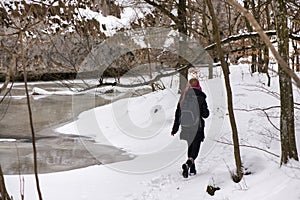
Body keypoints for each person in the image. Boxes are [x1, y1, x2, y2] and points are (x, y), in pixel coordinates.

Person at [171, 78, 209, 178]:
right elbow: (205, 114)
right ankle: (188, 164)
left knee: (190, 146)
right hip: (197, 127)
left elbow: (178, 114)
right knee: (195, 148)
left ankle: (192, 169)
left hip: (185, 126)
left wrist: (174, 129)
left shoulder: (183, 97)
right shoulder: (201, 97)